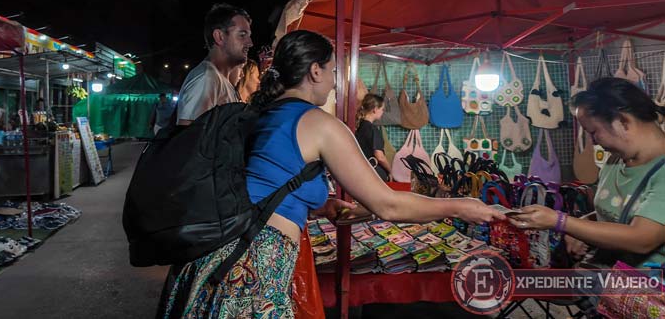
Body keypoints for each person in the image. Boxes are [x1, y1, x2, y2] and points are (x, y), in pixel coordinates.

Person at [161, 30, 504, 318]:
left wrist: (323, 206)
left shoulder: (263, 113)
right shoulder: (319, 124)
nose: (335, 80)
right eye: (332, 70)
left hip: (215, 261)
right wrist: (460, 206)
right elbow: (389, 205)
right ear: (315, 71)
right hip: (251, 271)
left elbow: (266, 183)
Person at [511, 77, 665, 270]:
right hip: (609, 280)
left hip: (648, 286)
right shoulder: (616, 159)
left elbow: (642, 239)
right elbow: (617, 213)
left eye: (593, 132)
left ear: (622, 121)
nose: (593, 141)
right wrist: (582, 224)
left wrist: (560, 222)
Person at [177, 3, 252, 125]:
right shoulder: (206, 78)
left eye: (249, 36)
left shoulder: (220, 80)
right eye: (242, 35)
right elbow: (189, 133)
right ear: (219, 37)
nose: (250, 43)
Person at [355, 93, 391, 182]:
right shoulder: (372, 129)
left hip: (360, 172)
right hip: (373, 173)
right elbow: (380, 156)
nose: (383, 112)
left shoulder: (359, 127)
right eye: (382, 109)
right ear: (375, 110)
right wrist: (390, 170)